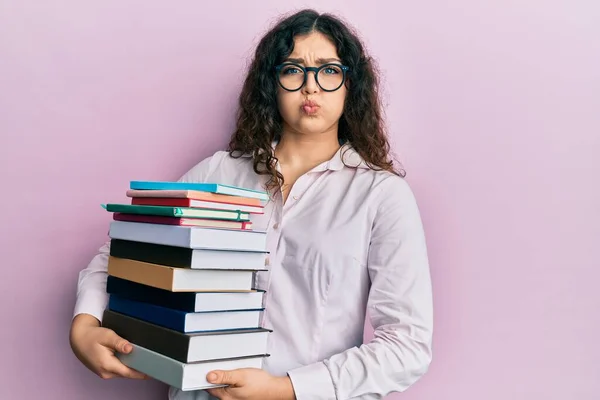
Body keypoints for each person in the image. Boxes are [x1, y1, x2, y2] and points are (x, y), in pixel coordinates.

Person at [69, 8, 433, 400]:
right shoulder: (216, 173)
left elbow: (407, 346)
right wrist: (84, 325)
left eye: (329, 70)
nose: (311, 87)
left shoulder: (381, 196)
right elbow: (125, 254)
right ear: (272, 84)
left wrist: (286, 389)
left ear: (351, 85)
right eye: (293, 69)